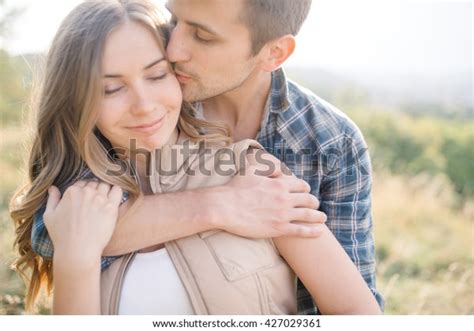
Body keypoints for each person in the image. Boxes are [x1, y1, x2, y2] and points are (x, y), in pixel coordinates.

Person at [16, 0, 384, 314]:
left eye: (159, 74)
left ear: (273, 52)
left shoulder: (312, 148)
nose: (175, 49)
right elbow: (50, 233)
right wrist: (219, 206)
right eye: (174, 21)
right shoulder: (84, 194)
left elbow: (356, 306)